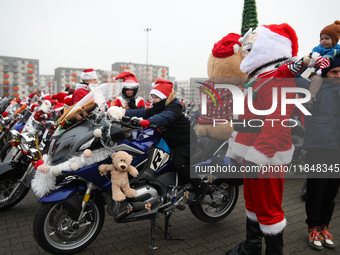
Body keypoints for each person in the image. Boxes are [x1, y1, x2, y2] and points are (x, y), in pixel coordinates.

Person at [225, 23, 300, 255]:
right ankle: (252, 247)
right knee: (253, 203)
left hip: (267, 157)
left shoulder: (278, 79)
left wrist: (258, 158)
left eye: (253, 43)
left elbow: (276, 123)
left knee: (268, 208)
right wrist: (234, 152)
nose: (246, 49)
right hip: (253, 154)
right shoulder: (261, 78)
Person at [108, 78, 208, 202]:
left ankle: (200, 186)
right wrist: (122, 113)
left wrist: (149, 122)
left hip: (184, 141)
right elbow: (143, 112)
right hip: (169, 140)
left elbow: (165, 117)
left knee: (179, 163)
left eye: (156, 98)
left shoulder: (173, 107)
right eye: (153, 97)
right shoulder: (158, 107)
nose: (153, 100)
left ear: (165, 97)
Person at [296, 54, 340, 251]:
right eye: (334, 72)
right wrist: (311, 64)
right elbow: (295, 77)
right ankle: (313, 227)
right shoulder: (315, 87)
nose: (338, 76)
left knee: (330, 194)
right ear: (326, 73)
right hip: (318, 148)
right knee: (316, 191)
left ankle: (324, 227)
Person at [302, 20, 340, 110]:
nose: (323, 41)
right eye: (321, 39)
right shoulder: (318, 49)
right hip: (319, 72)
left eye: (327, 38)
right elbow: (312, 57)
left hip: (330, 74)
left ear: (334, 40)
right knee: (317, 80)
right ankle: (310, 99)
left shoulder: (338, 49)